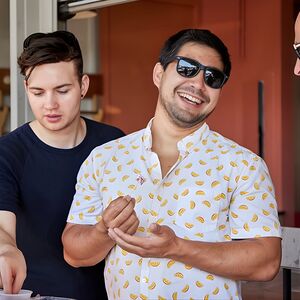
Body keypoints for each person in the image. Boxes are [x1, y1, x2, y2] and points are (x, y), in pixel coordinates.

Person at [62, 29, 282, 300]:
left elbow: (267, 262)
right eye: (187, 68)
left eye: (212, 78)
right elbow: (73, 253)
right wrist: (103, 230)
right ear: (158, 74)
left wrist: (177, 247)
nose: (199, 84)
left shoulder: (243, 165)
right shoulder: (105, 158)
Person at [0, 31, 124, 299]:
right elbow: (2, 224)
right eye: (38, 92)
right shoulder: (8, 152)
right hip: (36, 293)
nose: (50, 104)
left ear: (83, 85)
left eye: (62, 90)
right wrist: (5, 249)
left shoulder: (114, 143)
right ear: (26, 89)